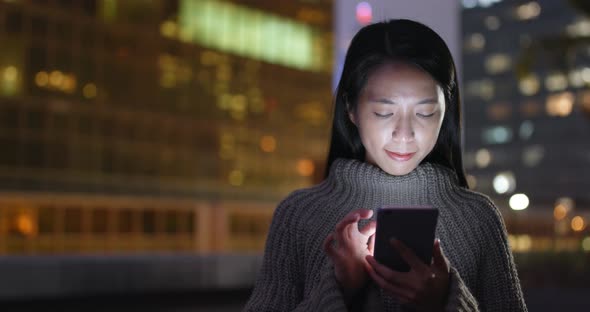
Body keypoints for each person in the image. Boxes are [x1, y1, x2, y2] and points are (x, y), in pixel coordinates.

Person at [244, 19, 527, 311]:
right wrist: (341, 288)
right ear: (351, 109)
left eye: (426, 113)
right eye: (383, 112)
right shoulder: (299, 215)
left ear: (446, 111)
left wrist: (443, 302)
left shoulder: (478, 219)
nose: (404, 134)